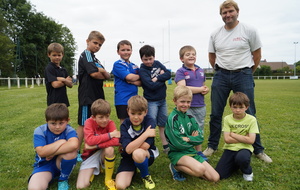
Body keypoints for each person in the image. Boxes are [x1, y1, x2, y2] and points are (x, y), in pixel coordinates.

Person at [204, 0, 272, 163]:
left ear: (237, 12)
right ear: (221, 15)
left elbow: (256, 55)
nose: (227, 15)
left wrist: (248, 72)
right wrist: (221, 71)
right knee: (216, 113)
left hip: (243, 74)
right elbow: (212, 57)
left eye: (230, 11)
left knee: (250, 112)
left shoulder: (249, 30)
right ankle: (212, 146)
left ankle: (258, 149)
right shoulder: (215, 34)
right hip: (221, 75)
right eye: (224, 13)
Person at [164, 86, 219, 182]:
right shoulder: (172, 119)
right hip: (177, 153)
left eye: (188, 102)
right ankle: (175, 166)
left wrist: (188, 139)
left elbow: (200, 138)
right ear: (175, 101)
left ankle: (192, 165)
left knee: (215, 178)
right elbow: (178, 143)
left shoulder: (190, 117)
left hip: (191, 152)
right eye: (182, 101)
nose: (185, 104)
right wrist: (193, 139)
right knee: (200, 170)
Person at [28, 103, 78, 190]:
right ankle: (50, 176)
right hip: (44, 166)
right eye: (53, 123)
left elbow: (74, 145)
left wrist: (52, 153)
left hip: (60, 163)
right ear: (46, 121)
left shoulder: (69, 130)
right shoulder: (40, 130)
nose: (57, 127)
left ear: (67, 120)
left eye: (61, 123)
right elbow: (41, 152)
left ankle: (63, 179)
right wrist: (61, 141)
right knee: (34, 188)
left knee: (71, 153)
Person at [77, 31, 110, 160]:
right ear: (87, 41)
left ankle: (93, 148)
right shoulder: (86, 55)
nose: (97, 46)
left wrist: (103, 71)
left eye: (100, 45)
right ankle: (77, 151)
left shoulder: (95, 58)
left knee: (96, 123)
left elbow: (107, 75)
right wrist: (100, 72)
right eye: (95, 43)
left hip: (97, 95)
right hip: (87, 96)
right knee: (83, 124)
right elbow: (94, 74)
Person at [115, 95, 159, 190]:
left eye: (139, 114)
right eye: (133, 113)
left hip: (146, 154)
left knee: (137, 153)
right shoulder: (124, 125)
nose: (136, 117)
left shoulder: (149, 121)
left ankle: (145, 175)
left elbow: (145, 146)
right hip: (128, 157)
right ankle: (134, 168)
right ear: (128, 111)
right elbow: (128, 150)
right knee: (120, 186)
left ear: (145, 112)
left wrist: (131, 147)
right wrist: (145, 134)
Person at [76, 99, 120, 190]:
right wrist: (110, 135)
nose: (105, 120)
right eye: (101, 117)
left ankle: (108, 179)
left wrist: (97, 145)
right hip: (90, 154)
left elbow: (116, 141)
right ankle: (97, 168)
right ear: (93, 117)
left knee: (110, 149)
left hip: (102, 152)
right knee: (81, 186)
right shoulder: (88, 122)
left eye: (107, 116)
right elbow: (90, 141)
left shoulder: (110, 123)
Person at [215, 92, 258, 181]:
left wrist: (233, 134)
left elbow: (251, 141)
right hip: (230, 148)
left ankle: (247, 171)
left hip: (245, 148)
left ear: (246, 107)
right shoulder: (227, 119)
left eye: (241, 107)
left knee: (242, 157)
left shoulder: (252, 120)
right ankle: (236, 164)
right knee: (220, 175)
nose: (237, 110)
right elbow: (227, 139)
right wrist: (244, 138)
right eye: (235, 107)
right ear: (230, 106)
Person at [175, 45, 209, 153]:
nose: (191, 56)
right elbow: (183, 88)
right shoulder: (180, 71)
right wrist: (200, 89)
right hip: (186, 106)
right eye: (188, 54)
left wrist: (205, 89)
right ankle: (187, 151)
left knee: (198, 129)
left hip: (200, 105)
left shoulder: (201, 70)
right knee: (186, 128)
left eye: (193, 54)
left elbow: (203, 86)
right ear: (182, 58)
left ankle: (198, 151)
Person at [139, 44, 171, 154]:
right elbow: (150, 86)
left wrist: (157, 78)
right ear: (141, 59)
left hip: (162, 100)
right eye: (145, 59)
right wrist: (162, 80)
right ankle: (149, 145)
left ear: (154, 57)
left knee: (163, 123)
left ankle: (165, 145)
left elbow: (168, 74)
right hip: (151, 101)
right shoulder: (142, 70)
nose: (148, 61)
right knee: (150, 124)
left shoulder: (157, 64)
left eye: (150, 58)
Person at [112, 40, 141, 125]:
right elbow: (129, 77)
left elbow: (142, 82)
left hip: (134, 99)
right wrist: (133, 78)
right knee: (124, 123)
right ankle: (124, 138)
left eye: (128, 50)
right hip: (122, 100)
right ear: (118, 52)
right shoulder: (118, 64)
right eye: (123, 50)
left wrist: (133, 81)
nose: (126, 52)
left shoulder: (134, 66)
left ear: (131, 51)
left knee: (135, 122)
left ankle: (134, 139)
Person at [45, 43, 73, 107]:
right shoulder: (49, 68)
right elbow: (55, 85)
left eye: (59, 55)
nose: (57, 57)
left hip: (63, 101)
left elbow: (70, 85)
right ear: (49, 55)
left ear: (62, 55)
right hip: (53, 102)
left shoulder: (63, 70)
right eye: (54, 55)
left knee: (64, 117)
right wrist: (65, 80)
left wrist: (62, 80)